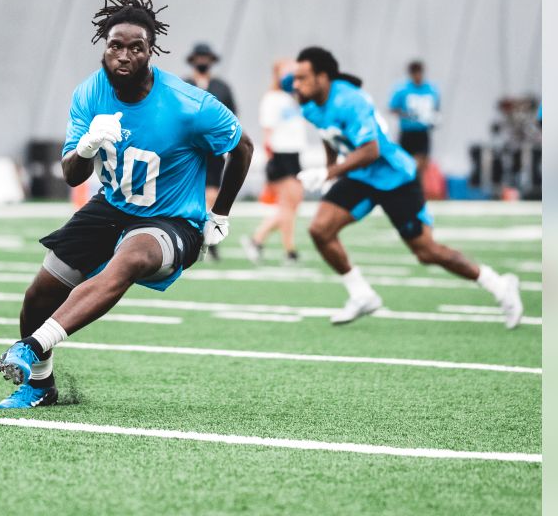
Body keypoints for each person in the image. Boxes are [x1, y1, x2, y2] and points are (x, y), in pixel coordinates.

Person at [0, 0, 253, 409]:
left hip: (171, 218)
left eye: (137, 48)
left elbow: (241, 148)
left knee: (130, 258)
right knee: (39, 294)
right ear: (104, 47)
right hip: (113, 205)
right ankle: (41, 386)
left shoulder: (189, 104)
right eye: (116, 45)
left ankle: (32, 346)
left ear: (151, 53)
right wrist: (88, 145)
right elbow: (70, 173)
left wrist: (220, 212)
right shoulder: (89, 94)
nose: (124, 55)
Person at [289, 46, 523, 328]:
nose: (297, 85)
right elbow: (329, 134)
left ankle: (498, 285)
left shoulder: (350, 101)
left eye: (302, 78)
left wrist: (331, 171)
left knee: (426, 252)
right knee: (320, 230)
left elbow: (370, 150)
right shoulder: (310, 105)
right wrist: (330, 173)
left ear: (323, 77)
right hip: (361, 177)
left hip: (394, 176)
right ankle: (361, 294)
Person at [240, 59, 305, 265]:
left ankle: (261, 241)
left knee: (291, 206)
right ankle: (285, 249)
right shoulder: (272, 99)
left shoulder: (292, 97)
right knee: (288, 205)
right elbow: (267, 131)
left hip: (294, 154)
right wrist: (271, 160)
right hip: (281, 154)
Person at [183, 42, 238, 258]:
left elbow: (233, 117)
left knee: (212, 192)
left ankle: (211, 234)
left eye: (206, 57)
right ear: (193, 59)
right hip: (189, 149)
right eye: (199, 57)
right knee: (188, 190)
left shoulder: (222, 87)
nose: (203, 61)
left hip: (213, 148)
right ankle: (189, 234)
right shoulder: (184, 84)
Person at [388, 60, 440, 188]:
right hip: (408, 131)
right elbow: (392, 108)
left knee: (422, 163)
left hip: (423, 132)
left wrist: (433, 119)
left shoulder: (431, 89)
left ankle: (418, 188)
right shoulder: (403, 89)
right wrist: (408, 115)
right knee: (406, 162)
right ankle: (406, 187)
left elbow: (436, 109)